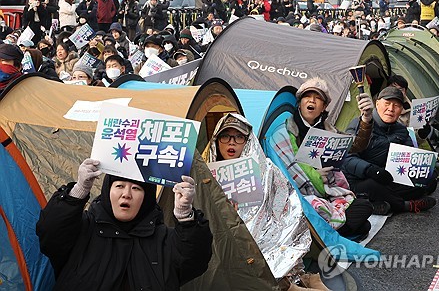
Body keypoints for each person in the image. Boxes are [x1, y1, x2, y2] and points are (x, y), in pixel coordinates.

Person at [36, 159, 212, 290]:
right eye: (119, 186)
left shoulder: (164, 240)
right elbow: (50, 233)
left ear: (147, 198)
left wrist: (185, 215)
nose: (126, 194)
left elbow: (195, 260)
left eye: (136, 188)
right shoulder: (84, 229)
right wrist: (78, 191)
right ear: (107, 191)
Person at [203, 114, 315, 289]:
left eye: (239, 137)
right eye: (225, 136)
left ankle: (298, 282)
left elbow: (285, 210)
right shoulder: (207, 175)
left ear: (248, 141)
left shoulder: (267, 169)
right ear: (217, 140)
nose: (231, 142)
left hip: (263, 239)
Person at [275, 77, 375, 238]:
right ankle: (327, 232)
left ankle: (327, 231)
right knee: (363, 223)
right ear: (299, 102)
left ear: (324, 107)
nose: (312, 100)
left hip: (328, 192)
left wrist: (366, 119)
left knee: (365, 209)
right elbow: (285, 169)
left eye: (318, 98)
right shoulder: (286, 131)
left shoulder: (328, 130)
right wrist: (314, 176)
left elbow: (356, 146)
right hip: (303, 195)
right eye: (307, 96)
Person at [342, 87, 437, 214]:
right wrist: (370, 170)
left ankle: (379, 204)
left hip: (388, 176)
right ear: (377, 103)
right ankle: (406, 205)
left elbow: (410, 156)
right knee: (373, 186)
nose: (391, 109)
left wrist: (421, 136)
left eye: (396, 105)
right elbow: (347, 157)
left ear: (401, 110)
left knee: (428, 181)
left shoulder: (401, 130)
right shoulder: (360, 124)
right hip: (361, 179)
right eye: (387, 104)